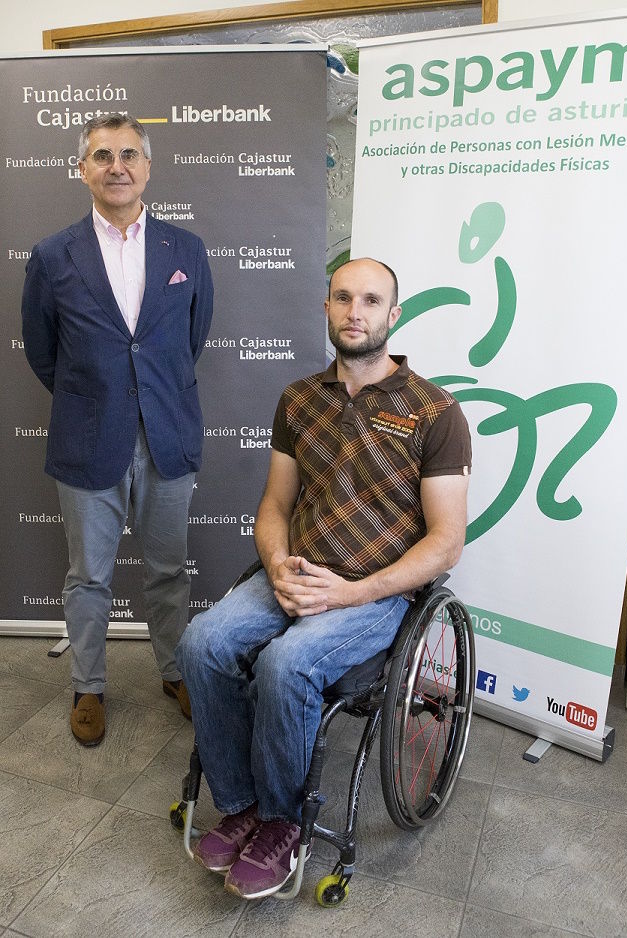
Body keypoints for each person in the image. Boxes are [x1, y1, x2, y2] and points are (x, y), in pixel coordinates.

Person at [177, 257, 470, 900]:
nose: (354, 311)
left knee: (287, 665)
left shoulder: (436, 412)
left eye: (371, 300)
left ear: (394, 315)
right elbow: (276, 505)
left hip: (377, 592)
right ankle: (241, 803)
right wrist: (278, 563)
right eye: (343, 297)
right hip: (295, 571)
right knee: (202, 641)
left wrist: (354, 591)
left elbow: (447, 542)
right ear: (327, 307)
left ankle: (283, 823)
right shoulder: (300, 399)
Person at [22, 113, 214, 747]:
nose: (117, 166)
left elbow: (193, 337)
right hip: (87, 437)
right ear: (84, 169)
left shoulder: (185, 248)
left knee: (167, 570)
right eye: (102, 155)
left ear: (148, 167)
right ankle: (88, 685)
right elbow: (43, 351)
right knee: (89, 577)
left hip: (168, 436)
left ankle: (173, 671)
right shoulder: (53, 256)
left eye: (129, 154)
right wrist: (95, 399)